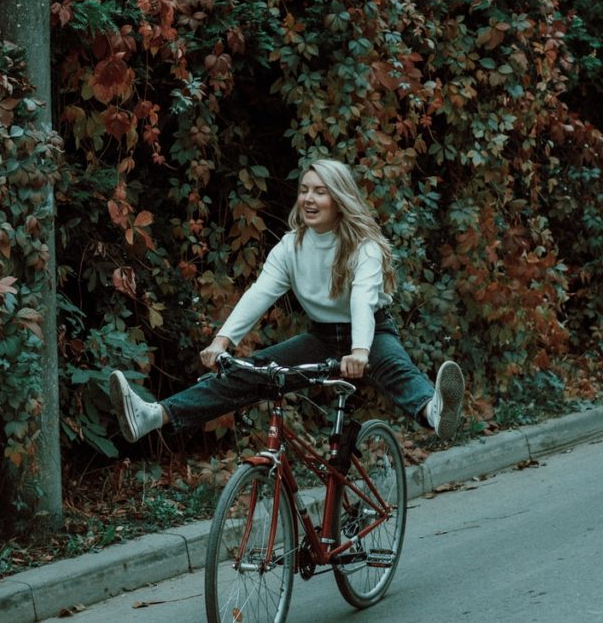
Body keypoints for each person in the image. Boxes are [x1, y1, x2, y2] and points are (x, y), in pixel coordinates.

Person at [109, 159, 465, 444]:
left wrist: (359, 351)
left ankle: (434, 412)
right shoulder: (290, 246)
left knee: (398, 370)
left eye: (320, 192)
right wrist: (222, 341)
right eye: (304, 191)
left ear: (339, 200)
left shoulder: (363, 247)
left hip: (370, 333)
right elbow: (260, 293)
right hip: (321, 338)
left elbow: (361, 300)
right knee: (250, 371)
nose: (309, 199)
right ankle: (153, 416)